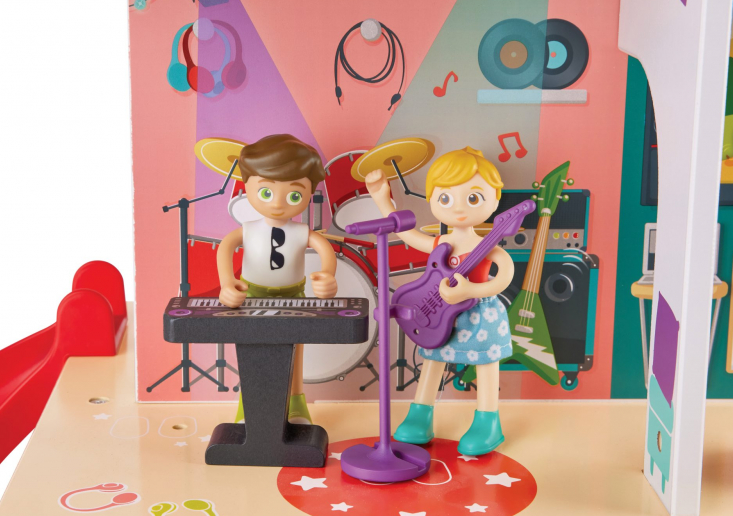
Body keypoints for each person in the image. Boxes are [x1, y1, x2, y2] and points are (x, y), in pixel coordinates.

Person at [365, 146, 515, 455]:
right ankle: (420, 415)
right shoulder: (442, 242)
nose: (458, 208)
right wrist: (382, 200)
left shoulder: (487, 245)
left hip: (480, 314)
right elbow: (407, 235)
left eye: (473, 198)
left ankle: (488, 422)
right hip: (440, 314)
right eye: (445, 198)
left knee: (486, 363)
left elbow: (504, 276)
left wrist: (470, 291)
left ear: (495, 200)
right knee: (433, 358)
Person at [216, 134, 338, 424]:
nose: (279, 204)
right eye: (266, 192)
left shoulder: (301, 232)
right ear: (247, 186)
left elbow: (324, 249)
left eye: (294, 195)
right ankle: (247, 406)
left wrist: (328, 276)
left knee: (295, 352)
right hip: (252, 296)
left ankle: (296, 403)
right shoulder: (248, 229)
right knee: (251, 353)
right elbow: (226, 246)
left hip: (294, 297)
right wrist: (227, 283)